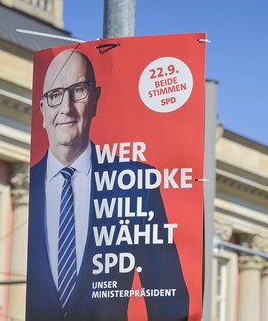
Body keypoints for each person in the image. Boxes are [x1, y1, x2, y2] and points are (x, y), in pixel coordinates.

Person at [26, 49, 189, 321]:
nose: (65, 107)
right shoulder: (27, 185)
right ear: (42, 110)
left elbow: (168, 300)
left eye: (77, 90)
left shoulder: (136, 183)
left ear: (95, 99)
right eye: (55, 96)